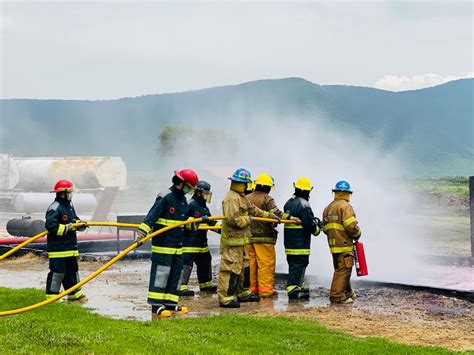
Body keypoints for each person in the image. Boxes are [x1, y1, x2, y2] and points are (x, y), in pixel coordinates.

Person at [135, 169, 199, 318]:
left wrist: (193, 224)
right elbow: (151, 216)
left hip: (177, 246)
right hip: (163, 246)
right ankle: (156, 305)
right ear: (181, 183)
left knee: (176, 274)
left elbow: (181, 223)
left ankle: (171, 303)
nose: (190, 190)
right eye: (189, 186)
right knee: (161, 275)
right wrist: (141, 233)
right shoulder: (166, 197)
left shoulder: (183, 200)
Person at [217, 168, 281, 308]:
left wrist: (271, 216)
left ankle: (242, 293)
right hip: (232, 241)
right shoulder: (231, 198)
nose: (248, 186)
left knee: (243, 267)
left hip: (242, 240)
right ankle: (225, 298)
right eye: (247, 184)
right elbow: (233, 219)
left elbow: (255, 210)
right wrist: (248, 219)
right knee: (230, 269)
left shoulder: (242, 198)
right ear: (242, 183)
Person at [247, 174, 300, 298]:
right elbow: (276, 213)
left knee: (251, 264)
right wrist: (291, 218)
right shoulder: (267, 199)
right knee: (265, 265)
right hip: (265, 238)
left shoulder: (247, 197)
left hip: (248, 237)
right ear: (268, 187)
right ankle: (265, 291)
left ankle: (252, 290)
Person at [45, 179, 88, 301]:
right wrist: (67, 228)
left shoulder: (69, 206)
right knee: (57, 273)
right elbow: (51, 226)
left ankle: (74, 294)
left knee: (72, 271)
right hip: (58, 248)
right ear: (63, 193)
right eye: (69, 192)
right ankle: (52, 296)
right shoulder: (55, 207)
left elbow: (73, 220)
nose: (71, 194)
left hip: (70, 248)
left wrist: (80, 224)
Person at [322, 180, 361, 304]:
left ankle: (348, 292)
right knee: (344, 270)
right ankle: (337, 296)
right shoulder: (345, 206)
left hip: (333, 245)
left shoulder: (328, 208)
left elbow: (325, 228)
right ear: (347, 193)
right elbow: (351, 226)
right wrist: (358, 234)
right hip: (344, 245)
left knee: (342, 269)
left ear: (336, 192)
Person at [283, 177, 321, 299]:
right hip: (300, 243)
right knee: (300, 264)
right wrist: (317, 229)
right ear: (308, 191)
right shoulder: (304, 204)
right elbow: (309, 224)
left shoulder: (289, 202)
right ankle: (294, 290)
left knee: (293, 264)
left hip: (289, 242)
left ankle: (299, 286)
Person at [178, 180, 217, 296]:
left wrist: (222, 229)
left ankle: (206, 285)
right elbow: (181, 222)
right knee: (186, 264)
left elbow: (211, 223)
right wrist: (197, 221)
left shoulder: (204, 207)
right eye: (205, 193)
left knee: (205, 261)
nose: (207, 196)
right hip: (189, 243)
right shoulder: (190, 205)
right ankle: (181, 288)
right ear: (199, 193)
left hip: (202, 243)